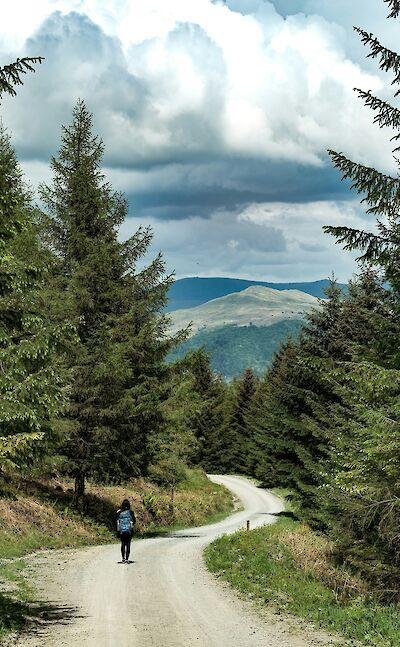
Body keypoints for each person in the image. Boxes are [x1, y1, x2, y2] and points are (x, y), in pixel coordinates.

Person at [116, 499, 136, 564]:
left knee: (123, 544)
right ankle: (127, 559)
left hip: (121, 531)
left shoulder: (119, 512)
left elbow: (116, 521)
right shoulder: (131, 512)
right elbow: (134, 521)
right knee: (128, 545)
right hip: (129, 531)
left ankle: (123, 559)